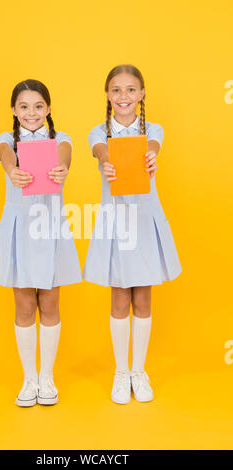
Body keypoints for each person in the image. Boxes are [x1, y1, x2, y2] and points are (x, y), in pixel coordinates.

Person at [83, 64, 182, 404]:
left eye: (130, 90)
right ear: (107, 95)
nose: (123, 96)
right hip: (117, 223)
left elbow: (153, 144)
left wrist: (151, 156)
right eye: (116, 90)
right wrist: (107, 161)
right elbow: (101, 150)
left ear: (141, 94)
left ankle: (139, 371)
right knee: (120, 296)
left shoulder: (153, 130)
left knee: (143, 297)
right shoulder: (98, 133)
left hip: (145, 220)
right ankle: (120, 371)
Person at [0, 79, 82, 407]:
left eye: (38, 106)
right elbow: (3, 156)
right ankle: (28, 379)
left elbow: (66, 155)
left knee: (51, 305)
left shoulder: (60, 139)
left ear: (49, 109)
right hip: (20, 229)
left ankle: (47, 377)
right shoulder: (5, 140)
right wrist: (12, 169)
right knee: (25, 305)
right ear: (14, 110)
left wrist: (63, 169)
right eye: (24, 107)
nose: (31, 113)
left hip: (50, 227)